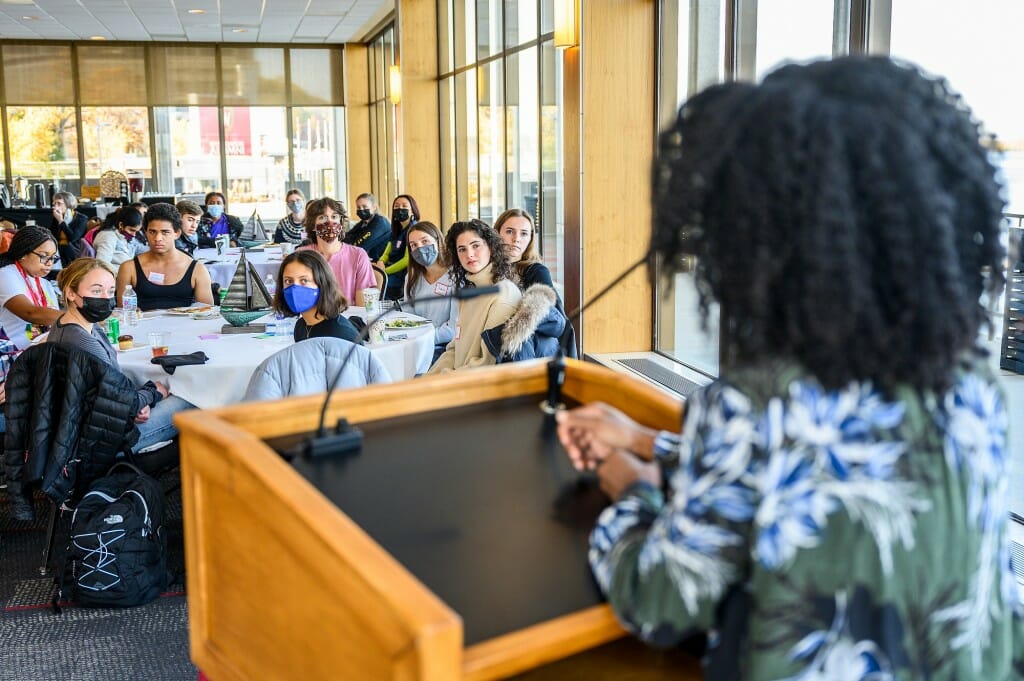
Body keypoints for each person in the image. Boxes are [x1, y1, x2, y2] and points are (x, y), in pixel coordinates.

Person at [555, 57, 1023, 679]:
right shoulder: (972, 386)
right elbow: (838, 479)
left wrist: (628, 483)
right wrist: (651, 443)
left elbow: (664, 602)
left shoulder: (757, 403)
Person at [48, 258, 193, 452]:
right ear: (71, 293)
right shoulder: (83, 342)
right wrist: (153, 393)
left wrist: (140, 400)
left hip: (91, 428)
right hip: (105, 443)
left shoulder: (72, 326)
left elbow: (114, 395)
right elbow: (123, 404)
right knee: (194, 399)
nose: (106, 298)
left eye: (110, 291)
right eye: (96, 291)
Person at [427, 220, 521, 373]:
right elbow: (454, 349)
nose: (469, 254)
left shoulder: (503, 295)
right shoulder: (470, 292)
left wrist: (441, 383)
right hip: (455, 379)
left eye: (476, 245)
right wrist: (429, 380)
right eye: (462, 249)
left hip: (474, 388)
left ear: (490, 247)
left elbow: (485, 364)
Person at [116, 203, 214, 311]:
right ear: (145, 233)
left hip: (185, 326)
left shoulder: (197, 269)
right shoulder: (129, 268)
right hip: (143, 326)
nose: (158, 238)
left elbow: (206, 312)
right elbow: (123, 312)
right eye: (152, 232)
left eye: (165, 232)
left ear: (177, 233)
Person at [300, 197, 375, 309]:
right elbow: (299, 301)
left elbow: (363, 307)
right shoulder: (302, 256)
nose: (330, 222)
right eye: (322, 218)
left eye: (334, 217)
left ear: (340, 222)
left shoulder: (358, 255)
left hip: (349, 320)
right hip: (312, 320)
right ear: (313, 226)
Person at [272, 250, 359, 343]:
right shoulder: (301, 327)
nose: (294, 289)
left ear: (322, 283)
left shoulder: (341, 334)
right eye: (288, 281)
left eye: (304, 280)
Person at [0, 225, 62, 350]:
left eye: (53, 258)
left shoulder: (46, 285)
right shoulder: (5, 274)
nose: (49, 263)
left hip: (39, 352)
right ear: (23, 253)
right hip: (11, 355)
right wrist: (75, 318)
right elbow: (30, 312)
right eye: (44, 256)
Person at [404, 221, 458, 361]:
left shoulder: (456, 277)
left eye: (425, 241)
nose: (419, 248)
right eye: (414, 245)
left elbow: (453, 329)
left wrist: (422, 338)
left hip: (443, 346)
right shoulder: (411, 277)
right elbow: (409, 318)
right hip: (416, 344)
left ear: (439, 241)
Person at [494, 209, 554, 290]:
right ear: (497, 233)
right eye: (510, 231)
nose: (516, 239)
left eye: (524, 233)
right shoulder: (484, 266)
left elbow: (552, 302)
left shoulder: (537, 272)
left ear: (530, 238)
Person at [375, 194, 418, 300]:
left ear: (412, 210)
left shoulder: (413, 229)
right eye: (396, 206)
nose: (400, 209)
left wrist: (385, 271)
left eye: (404, 206)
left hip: (401, 275)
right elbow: (387, 252)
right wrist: (380, 262)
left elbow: (407, 260)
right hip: (389, 271)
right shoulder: (396, 230)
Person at [344, 192, 391, 261]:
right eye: (358, 207)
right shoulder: (363, 223)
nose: (361, 209)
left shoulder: (380, 222)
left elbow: (362, 245)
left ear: (374, 207)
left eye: (364, 206)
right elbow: (348, 236)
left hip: (380, 263)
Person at [48, 190, 88, 266]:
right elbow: (52, 235)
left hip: (74, 250)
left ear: (68, 204)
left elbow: (72, 238)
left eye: (59, 203)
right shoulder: (57, 216)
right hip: (59, 249)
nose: (55, 207)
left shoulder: (81, 218)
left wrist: (61, 221)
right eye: (54, 203)